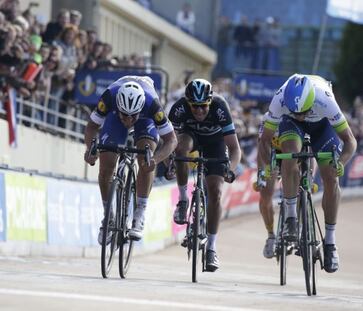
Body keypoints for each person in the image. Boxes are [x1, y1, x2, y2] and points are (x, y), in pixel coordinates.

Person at [257, 74, 357, 273]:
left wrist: (341, 163)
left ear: (312, 101)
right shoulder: (280, 100)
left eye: (304, 111)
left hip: (322, 127)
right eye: (297, 112)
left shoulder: (325, 99)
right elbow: (264, 140)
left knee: (330, 177)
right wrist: (268, 165)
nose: (301, 115)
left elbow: (350, 141)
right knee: (290, 154)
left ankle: (330, 243)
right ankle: (292, 218)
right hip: (291, 125)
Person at [84, 76, 177, 244]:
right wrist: (90, 149)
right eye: (124, 116)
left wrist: (155, 159)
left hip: (145, 118)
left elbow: (171, 140)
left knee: (146, 159)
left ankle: (140, 213)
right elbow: (92, 126)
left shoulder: (152, 105)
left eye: (132, 117)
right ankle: (108, 216)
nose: (128, 121)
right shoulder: (109, 98)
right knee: (106, 166)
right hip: (114, 116)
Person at [168, 78, 241, 272]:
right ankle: (183, 200)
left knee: (215, 192)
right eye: (195, 107)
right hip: (189, 138)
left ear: (210, 102)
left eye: (203, 107)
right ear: (187, 103)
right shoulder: (179, 108)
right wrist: (170, 164)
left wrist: (230, 169)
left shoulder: (220, 107)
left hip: (215, 143)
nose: (199, 111)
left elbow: (234, 148)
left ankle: (211, 248)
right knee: (180, 149)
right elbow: (167, 141)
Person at [256, 112, 282, 258]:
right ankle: (271, 235)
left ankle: (298, 223)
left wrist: (309, 176)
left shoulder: (302, 115)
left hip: (296, 150)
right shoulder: (269, 116)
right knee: (266, 194)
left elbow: (310, 149)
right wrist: (261, 173)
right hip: (273, 153)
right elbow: (261, 145)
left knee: (302, 187)